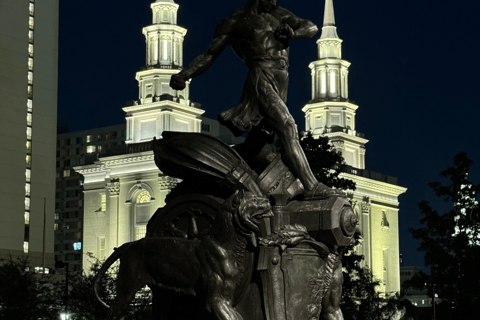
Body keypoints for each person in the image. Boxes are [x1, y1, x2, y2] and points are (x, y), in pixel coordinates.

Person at [170, 0, 342, 199]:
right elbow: (209, 55)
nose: (275, 0)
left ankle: (205, 177)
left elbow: (310, 26)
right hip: (261, 78)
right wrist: (184, 75)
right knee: (287, 127)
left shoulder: (278, 14)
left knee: (255, 145)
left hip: (282, 80)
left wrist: (294, 34)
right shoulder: (234, 21)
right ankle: (312, 187)